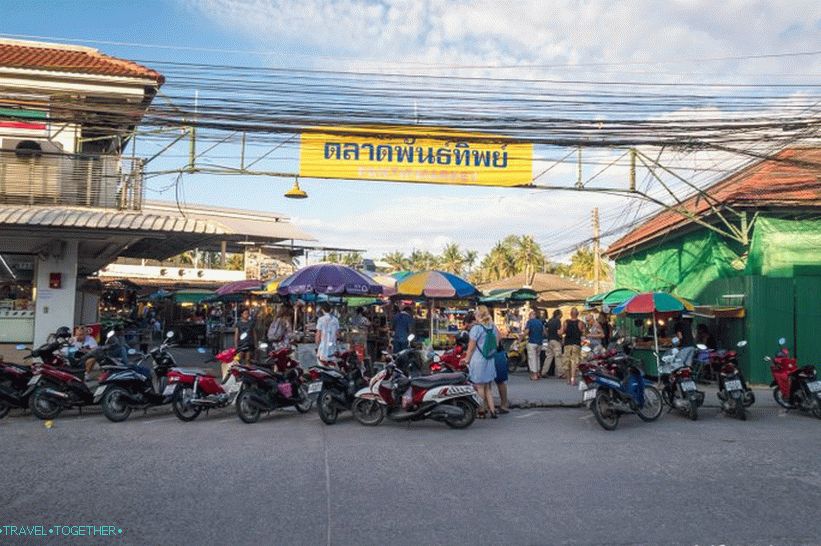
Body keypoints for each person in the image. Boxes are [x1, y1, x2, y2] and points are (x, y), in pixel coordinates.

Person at [461, 305, 499, 419]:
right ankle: (492, 411)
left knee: (479, 387)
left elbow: (471, 347)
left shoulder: (476, 329)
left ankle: (481, 411)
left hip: (478, 360)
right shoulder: (493, 327)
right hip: (490, 359)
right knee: (487, 387)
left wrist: (466, 359)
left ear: (478, 315)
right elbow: (497, 343)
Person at [561, 307, 585, 386]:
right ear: (577, 314)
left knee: (567, 362)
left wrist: (560, 332)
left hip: (567, 344)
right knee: (574, 362)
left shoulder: (566, 322)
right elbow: (584, 333)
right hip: (576, 344)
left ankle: (568, 379)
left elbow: (561, 332)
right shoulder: (580, 323)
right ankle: (573, 379)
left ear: (570, 314)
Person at [523, 310, 545, 381]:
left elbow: (527, 331)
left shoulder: (530, 322)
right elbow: (544, 332)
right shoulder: (540, 322)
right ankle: (538, 373)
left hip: (532, 342)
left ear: (530, 316)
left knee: (532, 358)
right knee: (537, 357)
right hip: (539, 342)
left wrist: (521, 337)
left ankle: (534, 375)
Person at [543, 309, 563, 378]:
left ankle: (544, 372)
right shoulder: (558, 321)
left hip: (550, 340)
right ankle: (560, 373)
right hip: (556, 340)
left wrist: (547, 335)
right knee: (558, 357)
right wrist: (561, 338)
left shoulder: (550, 320)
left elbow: (544, 328)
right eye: (561, 314)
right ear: (559, 314)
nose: (562, 316)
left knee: (548, 357)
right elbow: (559, 332)